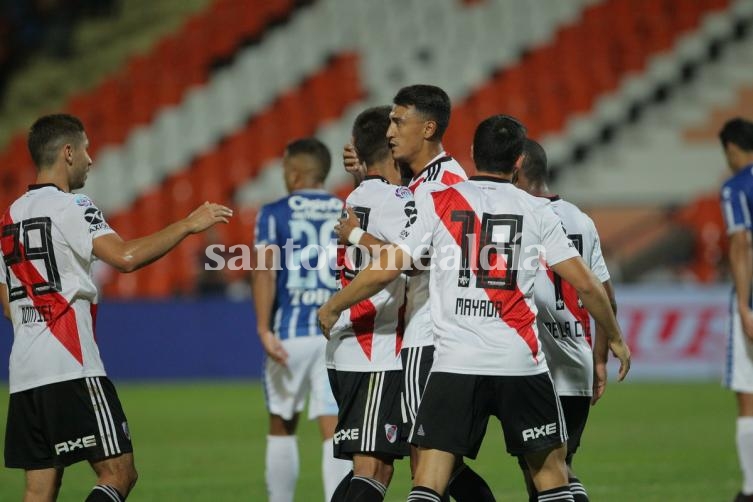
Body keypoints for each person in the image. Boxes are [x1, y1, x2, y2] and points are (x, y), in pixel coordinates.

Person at [320, 114, 631, 502]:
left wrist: (336, 304)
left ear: (472, 153)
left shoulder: (441, 201)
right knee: (551, 475)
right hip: (520, 360)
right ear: (518, 162)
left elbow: (389, 265)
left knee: (429, 479)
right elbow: (586, 283)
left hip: (456, 363)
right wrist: (615, 337)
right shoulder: (537, 211)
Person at [0, 113, 233, 502]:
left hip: (24, 373)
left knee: (39, 489)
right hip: (71, 364)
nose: (92, 159)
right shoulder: (73, 205)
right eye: (87, 149)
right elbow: (124, 257)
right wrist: (187, 225)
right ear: (68, 152)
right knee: (118, 473)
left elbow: (8, 306)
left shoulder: (8, 219)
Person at [338, 84, 495, 502]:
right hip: (444, 333)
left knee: (426, 465)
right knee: (442, 464)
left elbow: (412, 259)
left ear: (427, 128)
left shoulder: (441, 186)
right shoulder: (436, 177)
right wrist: (367, 173)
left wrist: (355, 235)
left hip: (432, 334)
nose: (391, 130)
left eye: (398, 120)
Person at [513, 139, 617, 502]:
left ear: (517, 167)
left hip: (534, 366)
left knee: (544, 472)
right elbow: (604, 297)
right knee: (554, 469)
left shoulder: (518, 216)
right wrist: (599, 360)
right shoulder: (581, 221)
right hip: (577, 362)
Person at [251, 138, 351, 502]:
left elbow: (264, 272)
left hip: (289, 334)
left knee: (281, 425)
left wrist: (263, 328)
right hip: (335, 335)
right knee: (334, 428)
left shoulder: (274, 212)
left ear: (294, 174)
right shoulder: (346, 210)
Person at [326, 106, 414, 502]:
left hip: (352, 345)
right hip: (374, 347)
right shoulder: (398, 199)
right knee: (372, 466)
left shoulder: (357, 194)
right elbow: (405, 261)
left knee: (376, 467)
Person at [718, 117, 753, 502]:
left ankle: (749, 488)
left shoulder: (736, 188)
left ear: (730, 149)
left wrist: (744, 305)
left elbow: (741, 245)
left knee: (748, 394)